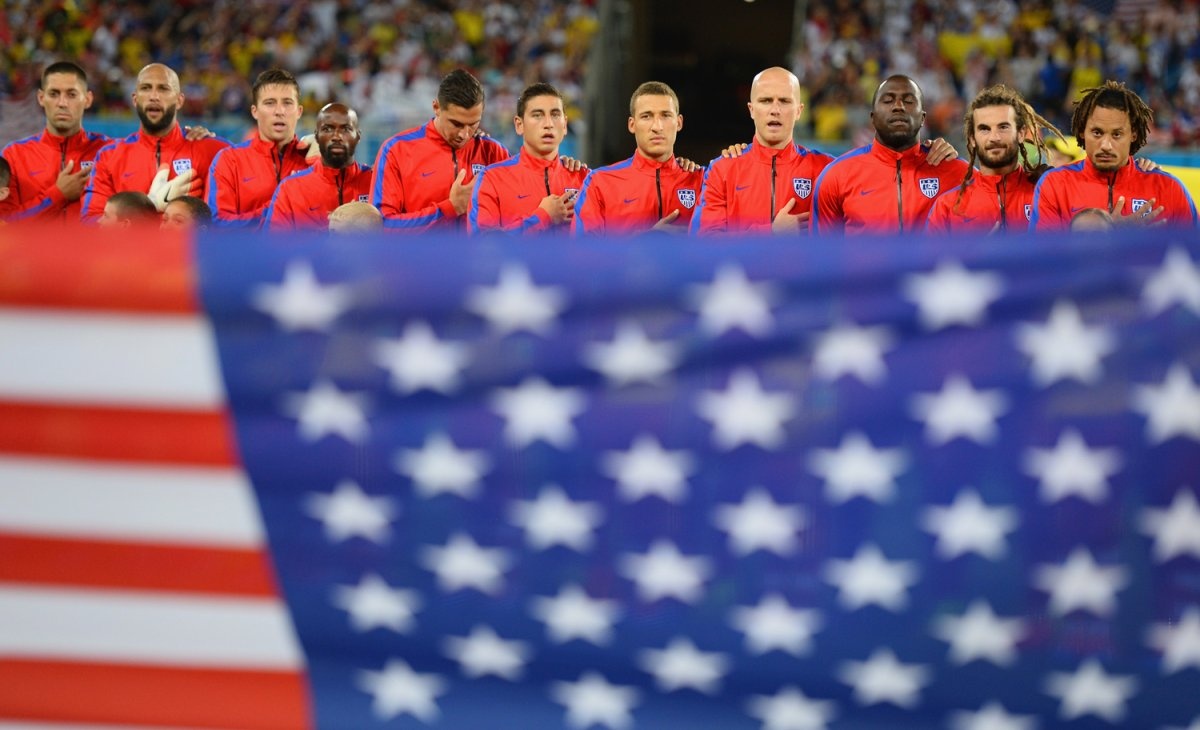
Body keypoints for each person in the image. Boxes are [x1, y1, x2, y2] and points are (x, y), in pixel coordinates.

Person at [812, 74, 970, 235]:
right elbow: (822, 253)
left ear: (923, 118)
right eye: (888, 100)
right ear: (872, 118)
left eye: (908, 101)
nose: (898, 106)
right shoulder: (836, 176)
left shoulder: (957, 172)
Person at [1031, 81, 1197, 230]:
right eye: (1097, 133)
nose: (1106, 145)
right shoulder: (1054, 185)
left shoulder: (1169, 188)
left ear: (1133, 134)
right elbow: (1043, 260)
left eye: (1117, 134)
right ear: (1082, 132)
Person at [690, 67, 834, 235]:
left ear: (799, 111)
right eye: (766, 100)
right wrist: (771, 233)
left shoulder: (827, 169)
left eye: (784, 101)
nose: (775, 110)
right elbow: (704, 243)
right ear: (751, 109)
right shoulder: (721, 170)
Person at [81, 63, 230, 223]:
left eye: (163, 89)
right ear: (135, 99)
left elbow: (225, 220)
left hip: (186, 248)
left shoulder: (212, 150)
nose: (154, 96)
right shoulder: (109, 156)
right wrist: (148, 205)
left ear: (179, 100)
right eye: (146, 88)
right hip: (130, 249)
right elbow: (91, 223)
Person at [370, 69, 509, 231]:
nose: (464, 134)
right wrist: (451, 208)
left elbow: (514, 218)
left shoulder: (493, 151)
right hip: (419, 257)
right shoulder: (396, 151)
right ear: (436, 107)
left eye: (473, 124)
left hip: (480, 256)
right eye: (456, 124)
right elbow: (383, 226)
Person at [926, 85, 1066, 233]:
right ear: (972, 139)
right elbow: (932, 256)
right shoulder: (947, 206)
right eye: (984, 129)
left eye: (1003, 127)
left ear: (1021, 133)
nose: (994, 137)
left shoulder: (1046, 193)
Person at [574, 81, 703, 235]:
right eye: (646, 116)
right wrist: (645, 240)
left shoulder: (702, 180)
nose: (657, 127)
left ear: (679, 123)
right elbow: (582, 252)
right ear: (632, 125)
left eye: (666, 115)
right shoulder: (599, 182)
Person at [468, 82, 588, 234]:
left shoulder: (585, 178)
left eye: (555, 115)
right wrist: (542, 217)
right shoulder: (491, 179)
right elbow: (483, 246)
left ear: (564, 125)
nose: (548, 123)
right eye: (537, 115)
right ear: (519, 125)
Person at [0, 62, 110, 223]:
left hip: (95, 249)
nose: (62, 103)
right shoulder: (14, 155)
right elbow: (5, 223)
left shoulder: (108, 151)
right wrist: (58, 193)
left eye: (71, 95)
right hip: (33, 249)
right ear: (41, 98)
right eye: (54, 94)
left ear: (88, 99)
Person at [206, 68, 312, 227]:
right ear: (254, 111)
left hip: (304, 253)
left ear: (299, 111)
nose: (279, 111)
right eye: (270, 103)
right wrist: (278, 211)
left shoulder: (313, 160)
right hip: (249, 252)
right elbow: (219, 224)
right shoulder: (229, 160)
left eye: (287, 103)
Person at [265, 103, 372, 229]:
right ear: (316, 136)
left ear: (358, 136)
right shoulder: (290, 189)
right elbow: (273, 245)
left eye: (346, 129)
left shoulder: (375, 181)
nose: (337, 136)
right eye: (327, 129)